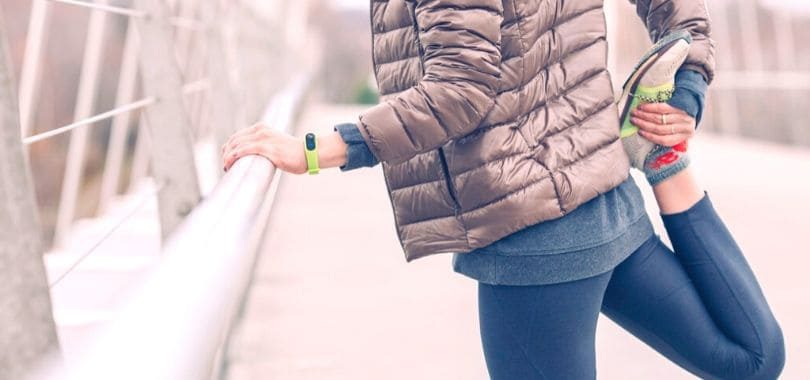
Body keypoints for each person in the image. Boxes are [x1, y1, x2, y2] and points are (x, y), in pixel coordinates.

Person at [221, 0, 785, 378]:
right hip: (608, 202)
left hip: (533, 233)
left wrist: (316, 151)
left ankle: (658, 157)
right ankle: (662, 164)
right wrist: (687, 84)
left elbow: (461, 92)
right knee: (752, 357)